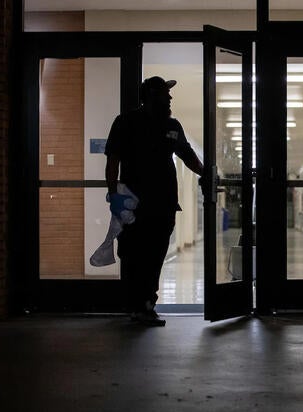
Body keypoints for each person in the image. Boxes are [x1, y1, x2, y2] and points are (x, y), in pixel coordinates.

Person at [104, 76, 204, 326]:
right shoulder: (125, 122)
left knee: (155, 254)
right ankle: (135, 306)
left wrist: (207, 173)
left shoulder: (173, 125)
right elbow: (112, 160)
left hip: (164, 203)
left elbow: (187, 154)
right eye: (164, 93)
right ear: (149, 95)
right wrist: (113, 194)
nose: (169, 98)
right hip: (133, 203)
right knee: (132, 254)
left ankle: (147, 304)